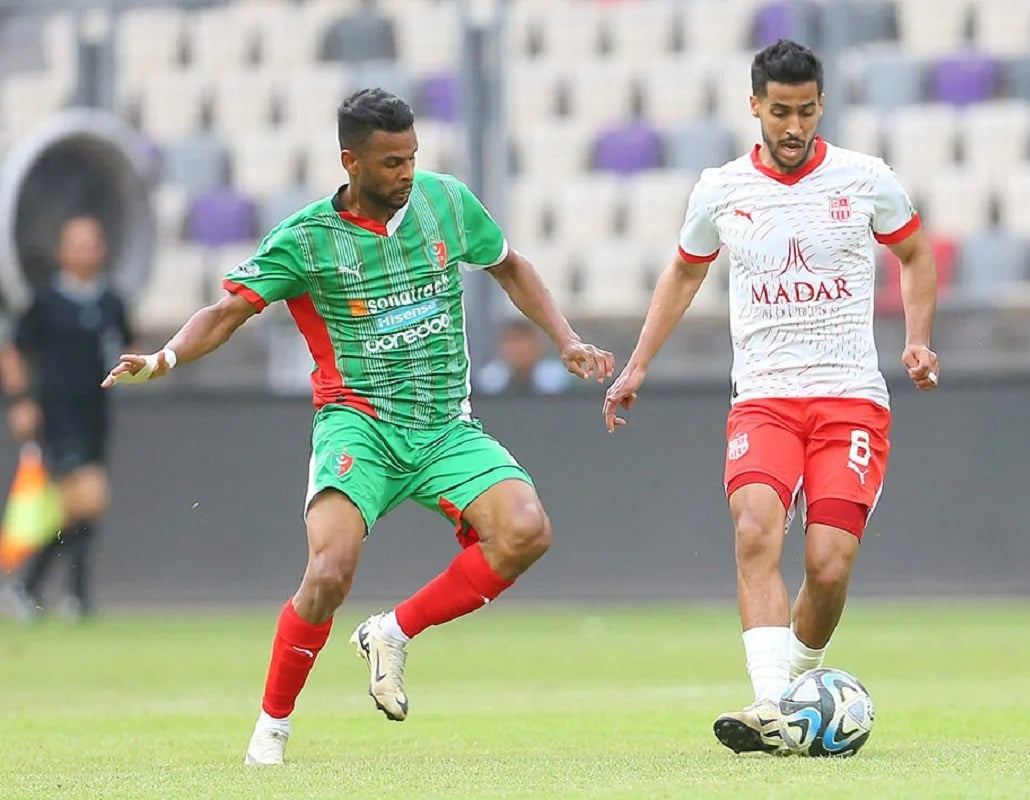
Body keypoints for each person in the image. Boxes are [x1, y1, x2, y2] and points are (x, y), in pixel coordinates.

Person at [101, 89, 613, 765]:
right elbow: (229, 310)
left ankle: (393, 631)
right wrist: (166, 356)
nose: (407, 173)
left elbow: (510, 266)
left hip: (443, 428)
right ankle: (270, 733)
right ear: (351, 161)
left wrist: (565, 339)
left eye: (412, 158)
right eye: (392, 162)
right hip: (359, 427)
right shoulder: (308, 240)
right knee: (330, 571)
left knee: (526, 530)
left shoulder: (447, 203)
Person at [602, 40, 940, 755]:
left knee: (827, 566)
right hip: (763, 398)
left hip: (849, 398)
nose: (793, 126)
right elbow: (684, 274)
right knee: (755, 530)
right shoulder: (721, 189)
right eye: (780, 111)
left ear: (822, 107)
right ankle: (771, 706)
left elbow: (914, 253)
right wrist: (636, 365)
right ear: (755, 106)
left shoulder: (865, 178)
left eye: (806, 111)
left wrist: (917, 337)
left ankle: (798, 683)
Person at [0, 216, 133, 621]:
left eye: (91, 243)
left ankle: (34, 588)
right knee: (87, 497)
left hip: (96, 413)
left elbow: (129, 344)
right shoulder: (46, 301)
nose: (84, 252)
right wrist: (21, 399)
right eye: (76, 244)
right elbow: (13, 350)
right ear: (62, 251)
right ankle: (68, 593)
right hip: (58, 414)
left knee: (78, 507)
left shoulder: (111, 301)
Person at [475, 318, 572, 395]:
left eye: (522, 342)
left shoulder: (556, 377)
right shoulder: (489, 380)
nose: (517, 349)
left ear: (536, 345)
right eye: (511, 342)